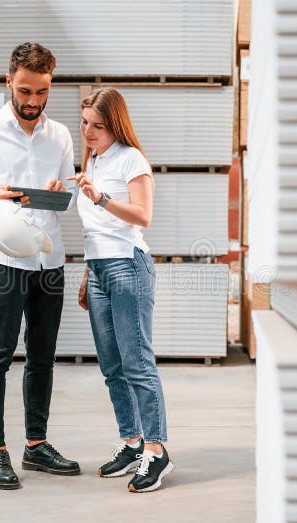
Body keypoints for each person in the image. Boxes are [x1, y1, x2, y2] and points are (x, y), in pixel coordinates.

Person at [0, 42, 80, 491]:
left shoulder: (60, 135)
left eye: (41, 92)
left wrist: (61, 192)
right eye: (25, 90)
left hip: (49, 259)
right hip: (5, 261)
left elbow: (70, 198)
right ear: (9, 81)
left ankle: (36, 445)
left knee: (42, 358)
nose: (32, 101)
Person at [69, 87, 174, 493]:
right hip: (98, 269)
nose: (88, 131)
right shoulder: (93, 161)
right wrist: (87, 274)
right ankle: (132, 442)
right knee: (112, 365)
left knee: (137, 363)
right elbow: (95, 230)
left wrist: (101, 197)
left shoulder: (131, 158)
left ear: (115, 124)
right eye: (84, 123)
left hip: (128, 266)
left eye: (97, 125)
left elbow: (143, 216)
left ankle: (157, 450)